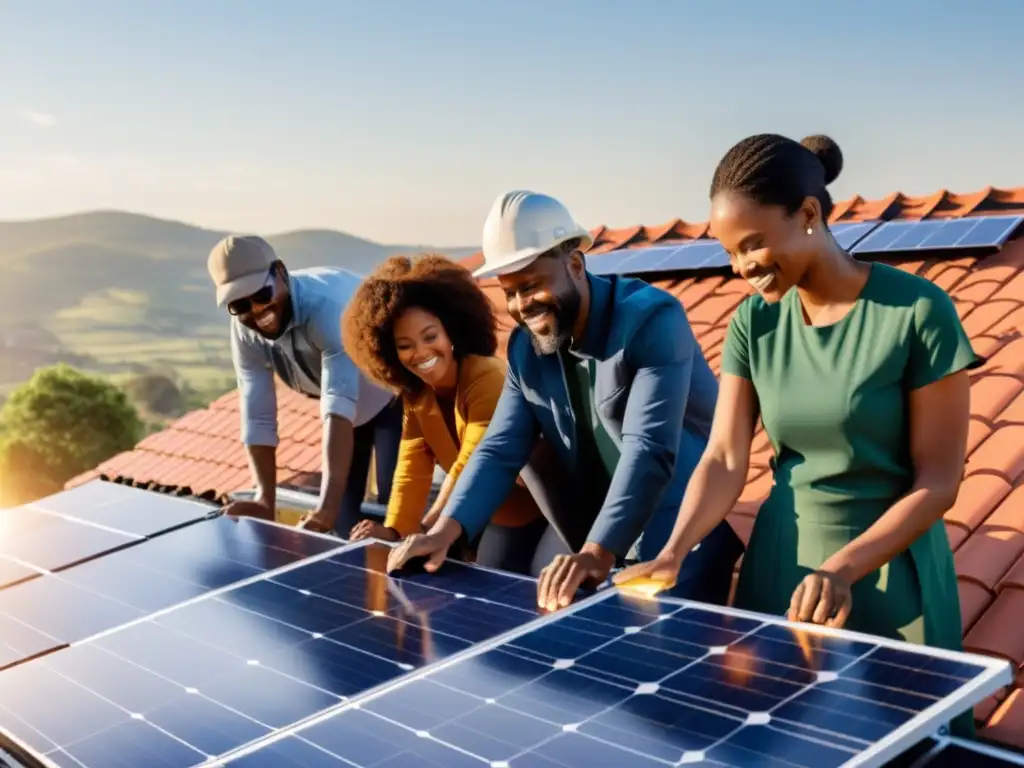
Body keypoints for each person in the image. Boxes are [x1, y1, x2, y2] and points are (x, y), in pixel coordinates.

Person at [614, 134, 978, 736]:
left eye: (754, 244)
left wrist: (842, 570)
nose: (741, 268)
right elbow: (727, 455)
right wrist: (675, 549)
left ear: (809, 214)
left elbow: (939, 483)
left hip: (888, 573)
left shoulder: (918, 311)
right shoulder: (753, 323)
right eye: (731, 252)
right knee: (782, 740)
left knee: (906, 742)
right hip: (782, 570)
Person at [387, 190, 744, 610]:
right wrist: (445, 530)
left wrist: (597, 550)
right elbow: (501, 448)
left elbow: (649, 450)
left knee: (668, 662)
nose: (522, 305)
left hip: (681, 539)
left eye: (532, 286)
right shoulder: (526, 348)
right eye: (511, 292)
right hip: (602, 540)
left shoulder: (652, 320)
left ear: (575, 265)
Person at [340, 254, 549, 575]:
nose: (421, 353)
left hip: (545, 515)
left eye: (430, 336)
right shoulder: (417, 397)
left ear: (451, 332)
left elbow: (474, 461)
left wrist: (427, 528)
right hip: (488, 519)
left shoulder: (487, 376)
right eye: (405, 345)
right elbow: (411, 470)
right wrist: (394, 530)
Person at [207, 234, 402, 537]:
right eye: (240, 304)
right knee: (341, 526)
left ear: (281, 273)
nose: (256, 311)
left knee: (396, 514)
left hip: (393, 397)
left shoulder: (328, 308)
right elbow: (257, 412)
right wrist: (263, 498)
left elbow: (338, 406)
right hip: (347, 416)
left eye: (262, 294)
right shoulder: (244, 330)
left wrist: (325, 508)